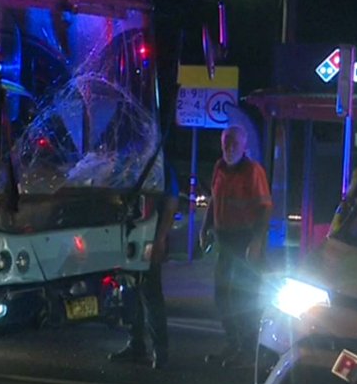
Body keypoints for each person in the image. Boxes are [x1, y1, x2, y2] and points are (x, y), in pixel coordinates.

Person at [199, 125, 272, 367]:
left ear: (244, 146)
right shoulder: (219, 168)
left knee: (243, 297)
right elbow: (214, 200)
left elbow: (265, 208)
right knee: (222, 296)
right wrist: (205, 228)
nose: (229, 149)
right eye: (226, 144)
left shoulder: (253, 171)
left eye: (234, 145)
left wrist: (257, 242)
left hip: (245, 241)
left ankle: (247, 350)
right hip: (225, 240)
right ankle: (233, 344)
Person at [109, 155, 181, 369]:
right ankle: (136, 344)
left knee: (150, 294)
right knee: (130, 292)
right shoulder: (131, 164)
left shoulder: (160, 166)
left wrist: (159, 239)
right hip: (128, 238)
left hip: (147, 238)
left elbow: (171, 203)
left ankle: (160, 351)